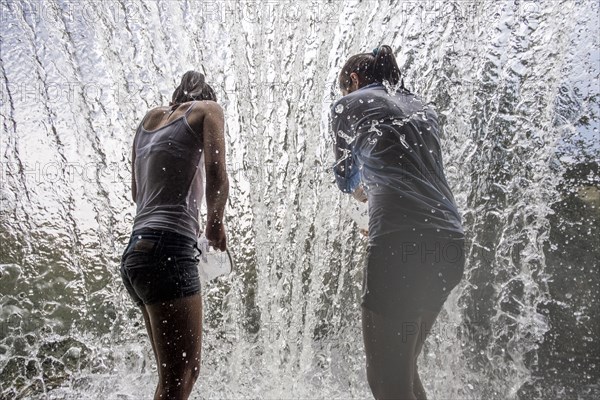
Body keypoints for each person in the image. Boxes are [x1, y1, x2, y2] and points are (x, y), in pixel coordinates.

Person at [331, 46, 465, 400]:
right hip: (449, 242)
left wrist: (372, 205)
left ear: (354, 80)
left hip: (399, 245)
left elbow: (347, 180)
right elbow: (409, 170)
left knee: (386, 382)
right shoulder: (424, 107)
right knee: (402, 369)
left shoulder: (350, 103)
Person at [120, 71, 229, 400]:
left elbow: (136, 192)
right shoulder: (209, 110)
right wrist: (214, 224)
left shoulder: (148, 121)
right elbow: (217, 173)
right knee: (182, 375)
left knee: (171, 378)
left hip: (136, 255)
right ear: (204, 96)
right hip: (169, 252)